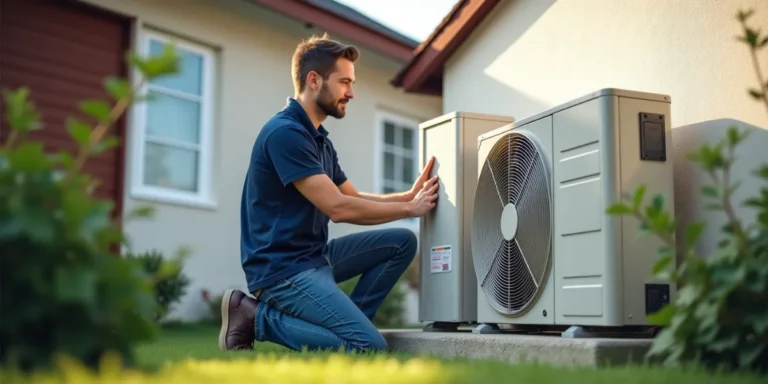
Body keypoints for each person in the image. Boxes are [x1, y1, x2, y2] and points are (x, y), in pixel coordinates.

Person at [218, 33, 440, 354]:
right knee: (370, 348)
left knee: (402, 242)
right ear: (313, 80)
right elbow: (339, 208)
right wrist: (410, 210)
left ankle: (349, 330)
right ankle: (255, 318)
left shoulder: (319, 139)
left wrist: (407, 197)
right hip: (283, 271)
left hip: (314, 258)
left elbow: (352, 196)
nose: (351, 92)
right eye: (344, 82)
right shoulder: (286, 134)